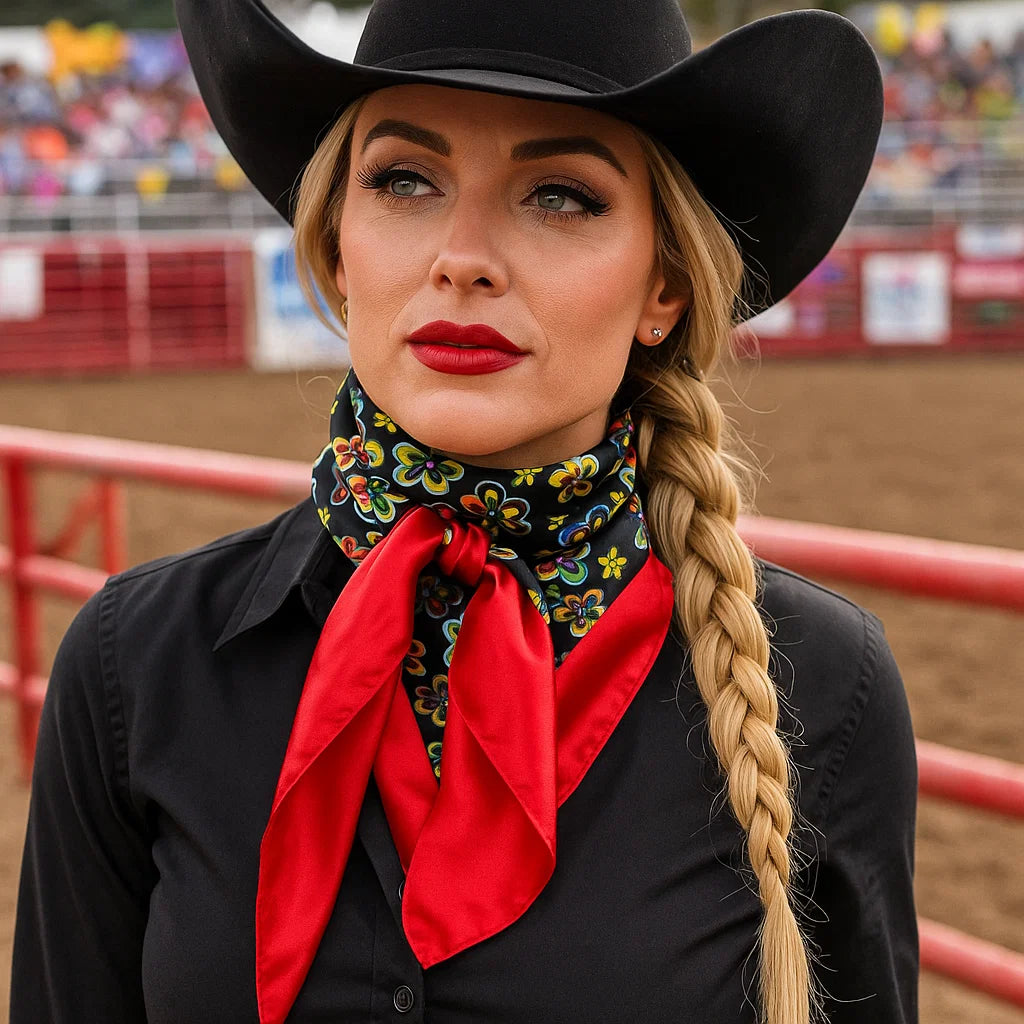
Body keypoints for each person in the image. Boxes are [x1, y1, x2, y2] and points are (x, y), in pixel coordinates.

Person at [9, 0, 919, 1022]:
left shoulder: (825, 689)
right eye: (404, 180)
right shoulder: (133, 667)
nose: (464, 256)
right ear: (338, 244)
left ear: (663, 285)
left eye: (561, 196)